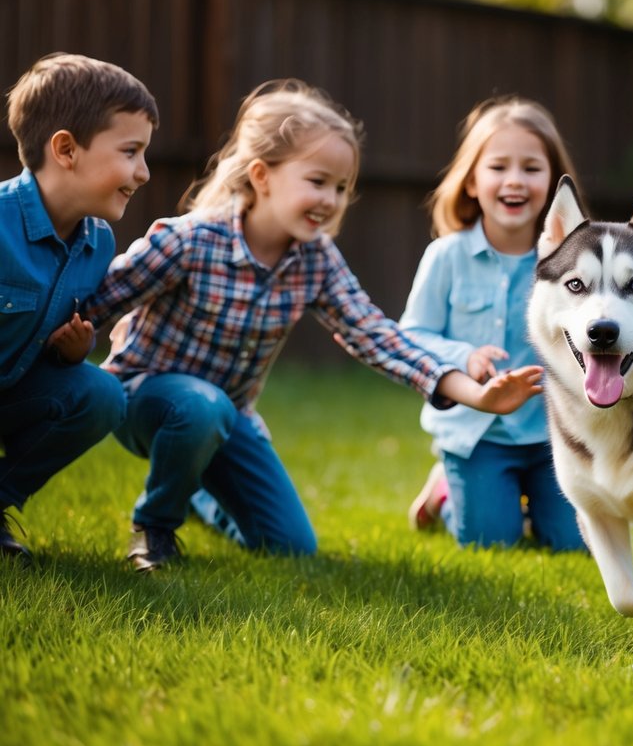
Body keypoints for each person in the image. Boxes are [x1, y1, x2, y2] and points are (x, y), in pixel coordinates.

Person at [79, 80, 543, 572]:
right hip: (144, 400)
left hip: (227, 418)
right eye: (318, 181)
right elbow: (99, 298)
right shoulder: (190, 241)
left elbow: (378, 337)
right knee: (201, 405)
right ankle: (155, 526)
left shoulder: (315, 260)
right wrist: (69, 344)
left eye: (341, 188)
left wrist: (478, 395)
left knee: (290, 545)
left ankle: (199, 496)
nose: (331, 199)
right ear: (262, 176)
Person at [399, 97, 585, 551]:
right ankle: (445, 495)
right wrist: (463, 356)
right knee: (491, 543)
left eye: (531, 168)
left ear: (555, 182)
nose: (515, 181)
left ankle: (530, 505)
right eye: (498, 167)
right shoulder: (446, 257)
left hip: (551, 434)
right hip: (476, 435)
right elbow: (411, 337)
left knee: (571, 544)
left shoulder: (573, 262)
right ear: (471, 182)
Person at [0, 53, 158, 561]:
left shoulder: (98, 243)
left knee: (101, 394)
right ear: (66, 149)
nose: (145, 171)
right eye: (131, 151)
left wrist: (73, 353)